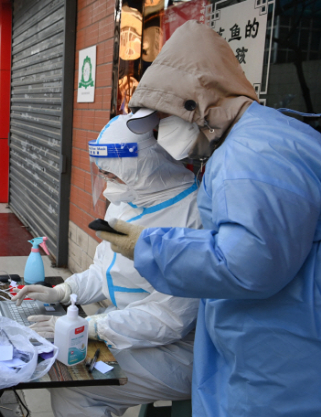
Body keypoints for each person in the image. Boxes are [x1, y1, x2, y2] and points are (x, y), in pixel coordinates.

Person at [95, 21, 321, 416]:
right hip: (276, 341)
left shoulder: (246, 158)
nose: (162, 133)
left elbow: (247, 264)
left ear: (197, 104)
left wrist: (149, 246)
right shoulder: (265, 137)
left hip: (278, 358)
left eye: (165, 118)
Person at [12, 114, 200, 417]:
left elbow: (170, 318)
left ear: (143, 166)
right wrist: (63, 291)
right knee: (64, 361)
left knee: (76, 383)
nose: (108, 184)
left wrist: (93, 327)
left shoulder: (192, 215)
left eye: (113, 175)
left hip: (175, 353)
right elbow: (104, 269)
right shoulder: (128, 198)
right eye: (104, 175)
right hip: (124, 328)